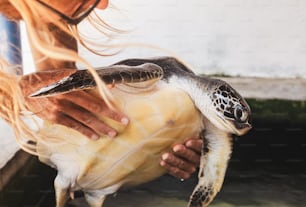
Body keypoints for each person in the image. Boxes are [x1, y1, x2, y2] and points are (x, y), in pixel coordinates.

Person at [0, 0, 202, 180]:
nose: (104, 4)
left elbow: (62, 99)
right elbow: (29, 94)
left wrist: (151, 144)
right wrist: (18, 93)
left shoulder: (55, 12)